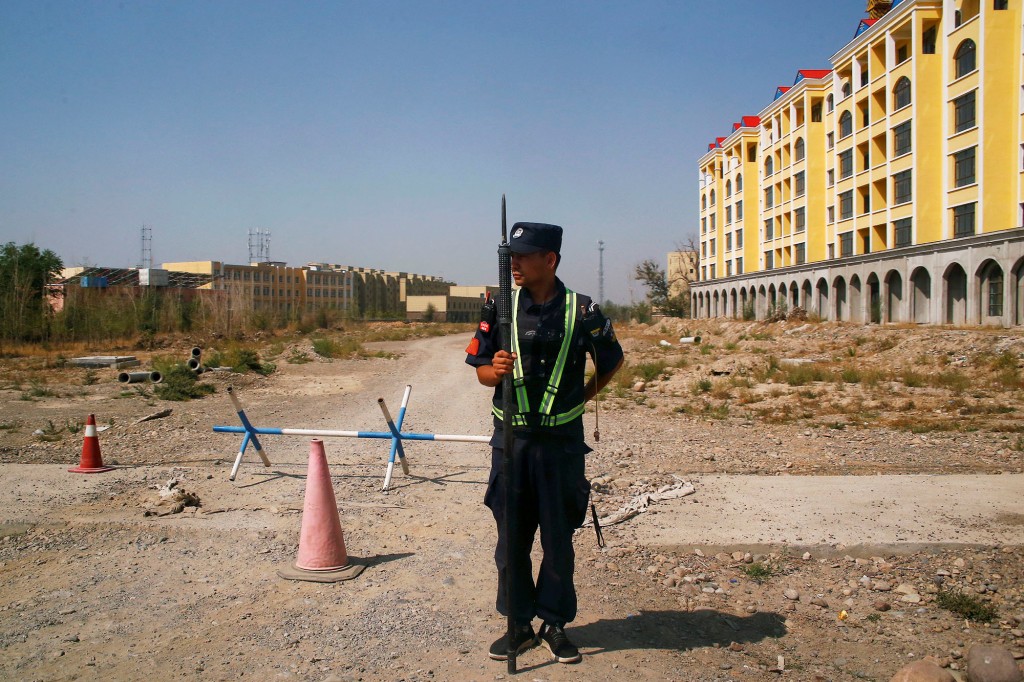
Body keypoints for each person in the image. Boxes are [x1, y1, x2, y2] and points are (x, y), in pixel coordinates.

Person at [465, 222, 624, 664]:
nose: (513, 263)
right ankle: (517, 625)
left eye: (524, 255)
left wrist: (580, 399)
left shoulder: (583, 310)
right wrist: (493, 371)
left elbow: (612, 361)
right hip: (511, 442)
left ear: (550, 259)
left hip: (561, 445)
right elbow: (478, 369)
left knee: (558, 539)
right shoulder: (498, 306)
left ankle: (554, 624)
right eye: (511, 255)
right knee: (511, 540)